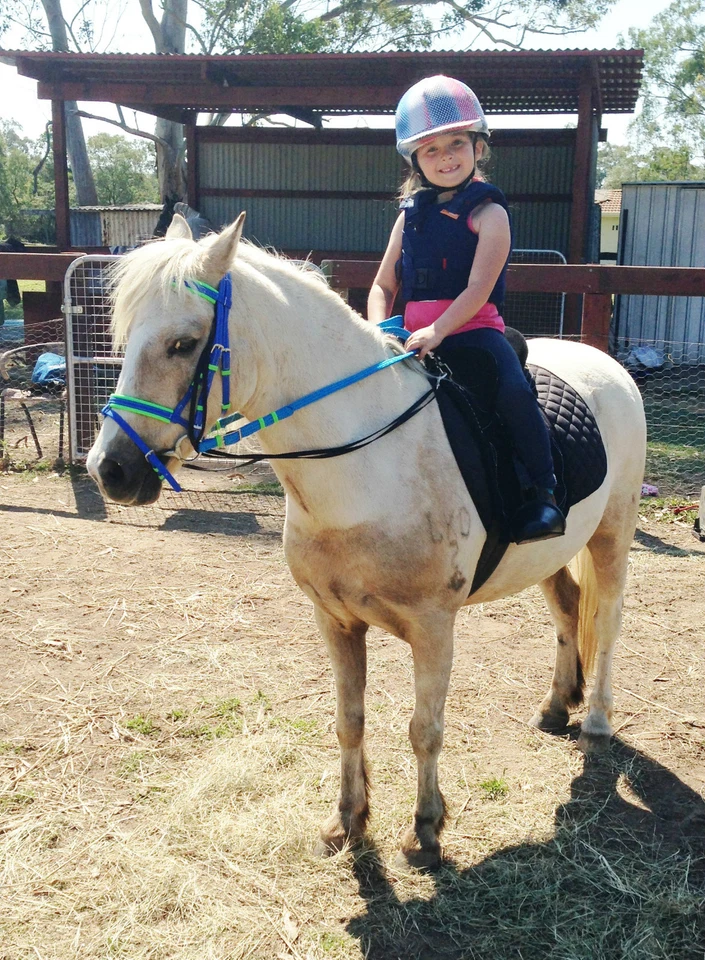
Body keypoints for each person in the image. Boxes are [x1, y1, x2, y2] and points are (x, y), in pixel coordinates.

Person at [368, 75, 565, 544]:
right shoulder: (409, 216)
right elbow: (382, 284)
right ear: (415, 159)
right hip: (411, 339)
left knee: (512, 393)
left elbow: (480, 288)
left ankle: (544, 492)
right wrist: (379, 330)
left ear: (478, 147)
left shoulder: (489, 214)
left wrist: (438, 329)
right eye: (431, 150)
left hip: (472, 332)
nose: (446, 157)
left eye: (456, 143)